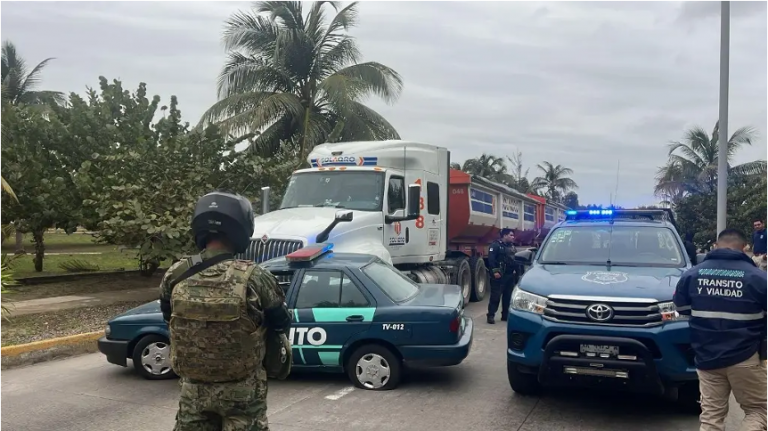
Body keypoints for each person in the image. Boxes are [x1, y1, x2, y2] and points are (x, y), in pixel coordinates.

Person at [160, 191, 292, 431]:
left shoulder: (176, 275)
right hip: (242, 392)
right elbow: (281, 321)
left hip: (193, 391)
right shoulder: (255, 277)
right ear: (241, 229)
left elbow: (168, 317)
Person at [673, 228, 768, 431]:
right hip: (747, 356)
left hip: (707, 355)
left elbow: (682, 308)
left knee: (711, 417)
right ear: (744, 248)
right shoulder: (759, 278)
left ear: (715, 246)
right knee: (759, 412)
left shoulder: (692, 275)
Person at [487, 228, 518, 324]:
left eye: (513, 235)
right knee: (495, 296)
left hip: (510, 275)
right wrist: (495, 272)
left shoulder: (512, 247)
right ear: (504, 236)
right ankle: (491, 315)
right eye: (511, 235)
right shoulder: (496, 245)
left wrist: (518, 273)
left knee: (508, 297)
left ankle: (505, 315)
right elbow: (491, 260)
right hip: (499, 275)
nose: (513, 237)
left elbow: (516, 261)